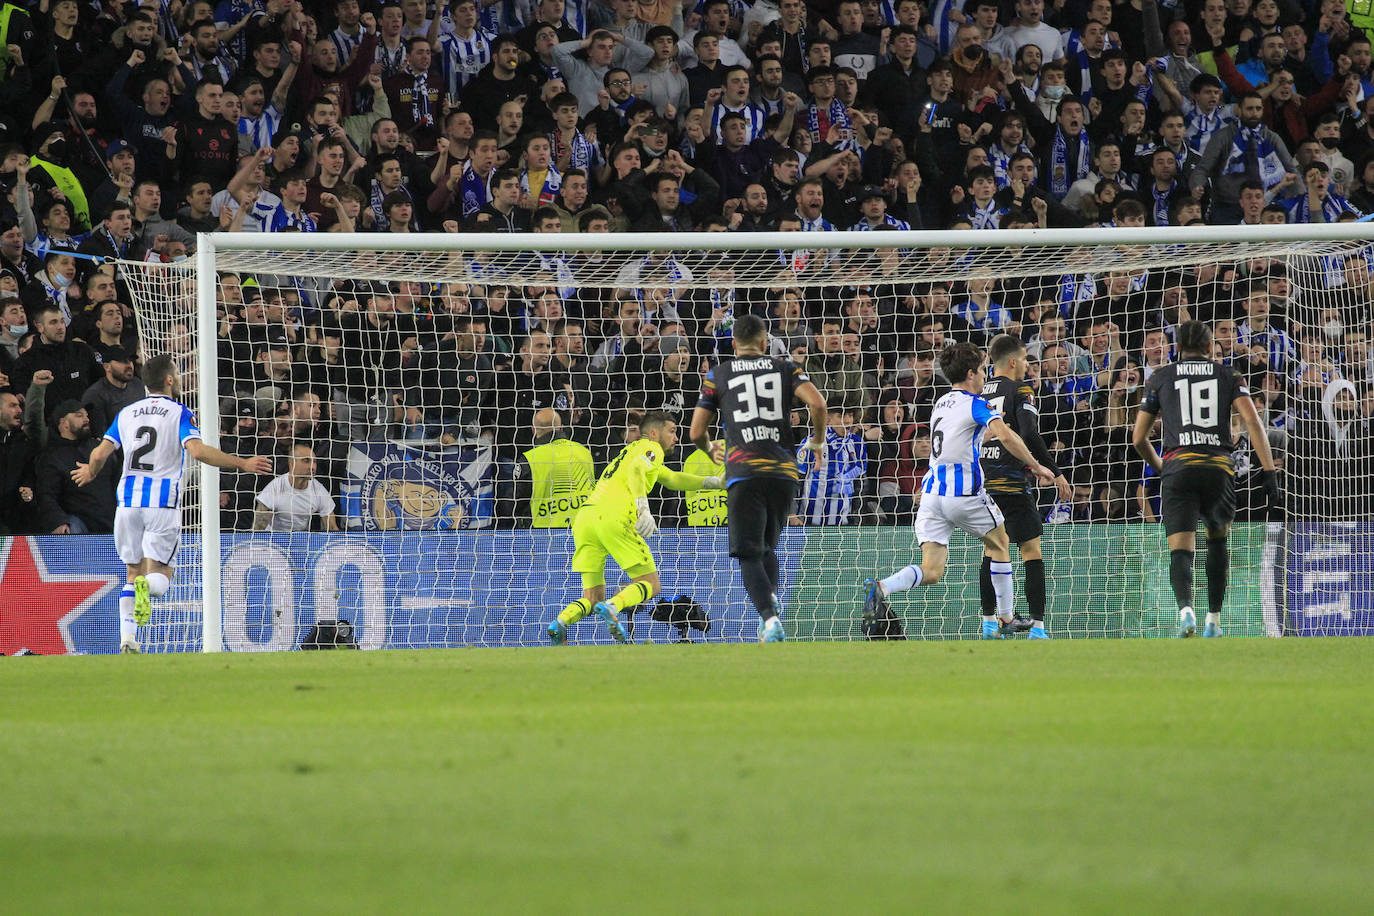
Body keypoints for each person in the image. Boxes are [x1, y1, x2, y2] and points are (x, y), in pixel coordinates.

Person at [71, 354, 273, 654]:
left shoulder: (127, 412)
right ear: (168, 380)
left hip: (127, 502)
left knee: (131, 572)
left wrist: (90, 471)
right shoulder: (178, 412)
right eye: (177, 374)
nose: (178, 378)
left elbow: (100, 455)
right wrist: (242, 462)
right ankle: (146, 589)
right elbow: (199, 451)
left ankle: (127, 640)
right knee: (160, 576)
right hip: (161, 502)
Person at [863, 342, 1054, 639]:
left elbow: (967, 435)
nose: (984, 377)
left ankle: (882, 587)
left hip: (930, 496)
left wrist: (987, 433)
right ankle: (1006, 618)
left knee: (932, 570)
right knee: (1000, 543)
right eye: (980, 371)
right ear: (970, 374)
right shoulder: (976, 403)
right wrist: (1036, 465)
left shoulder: (942, 402)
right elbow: (1005, 436)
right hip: (962, 492)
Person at [1131, 321, 1279, 638]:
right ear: (1211, 347)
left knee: (1180, 549)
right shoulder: (1229, 376)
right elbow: (1253, 422)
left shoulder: (1160, 377)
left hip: (1178, 466)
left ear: (1176, 348)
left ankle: (1186, 612)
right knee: (1217, 541)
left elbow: (1138, 437)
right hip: (1217, 467)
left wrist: (1160, 467)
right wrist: (1268, 472)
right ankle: (1213, 621)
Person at [689, 313, 828, 642]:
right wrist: (818, 441)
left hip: (744, 472)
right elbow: (818, 404)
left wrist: (709, 448)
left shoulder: (718, 374)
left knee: (749, 553)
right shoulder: (786, 368)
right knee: (767, 547)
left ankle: (769, 620)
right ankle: (772, 604)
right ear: (766, 344)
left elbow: (696, 430)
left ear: (734, 344)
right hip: (783, 472)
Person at [548, 410, 722, 644]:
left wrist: (715, 483)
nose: (676, 438)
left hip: (586, 518)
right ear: (653, 432)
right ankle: (614, 606)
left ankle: (560, 622)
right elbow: (637, 471)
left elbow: (672, 478)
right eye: (671, 431)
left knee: (591, 597)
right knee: (651, 583)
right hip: (614, 516)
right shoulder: (650, 448)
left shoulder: (631, 452)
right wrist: (642, 508)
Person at [977, 333, 1072, 638]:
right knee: (1031, 550)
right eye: (1027, 361)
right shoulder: (1021, 388)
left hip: (983, 482)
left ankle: (990, 623)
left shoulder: (978, 392)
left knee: (992, 550)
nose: (1028, 368)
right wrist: (1053, 471)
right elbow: (1029, 432)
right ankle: (1038, 627)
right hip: (1012, 482)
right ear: (1015, 361)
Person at [253, 442, 338, 532]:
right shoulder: (275, 488)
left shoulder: (318, 490)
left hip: (300, 541)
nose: (312, 467)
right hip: (272, 541)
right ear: (291, 464)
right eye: (306, 461)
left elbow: (332, 528)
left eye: (315, 462)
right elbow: (257, 529)